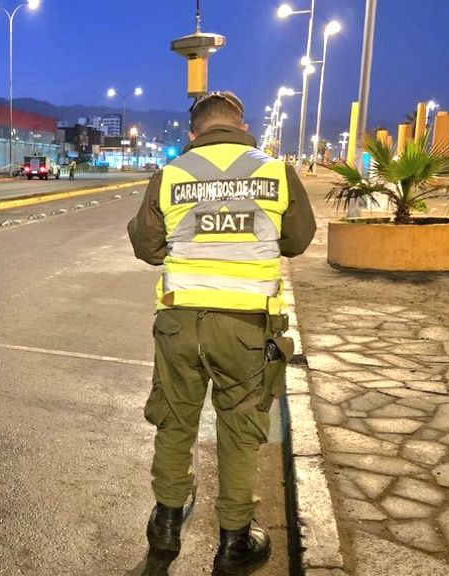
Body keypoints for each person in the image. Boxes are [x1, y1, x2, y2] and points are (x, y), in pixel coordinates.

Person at [127, 91, 316, 574]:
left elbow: (148, 247)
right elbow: (297, 240)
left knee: (174, 422)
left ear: (194, 132)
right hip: (247, 328)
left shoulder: (170, 175)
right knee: (239, 430)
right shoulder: (274, 171)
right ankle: (234, 540)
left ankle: (166, 524)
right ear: (242, 124)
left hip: (179, 324)